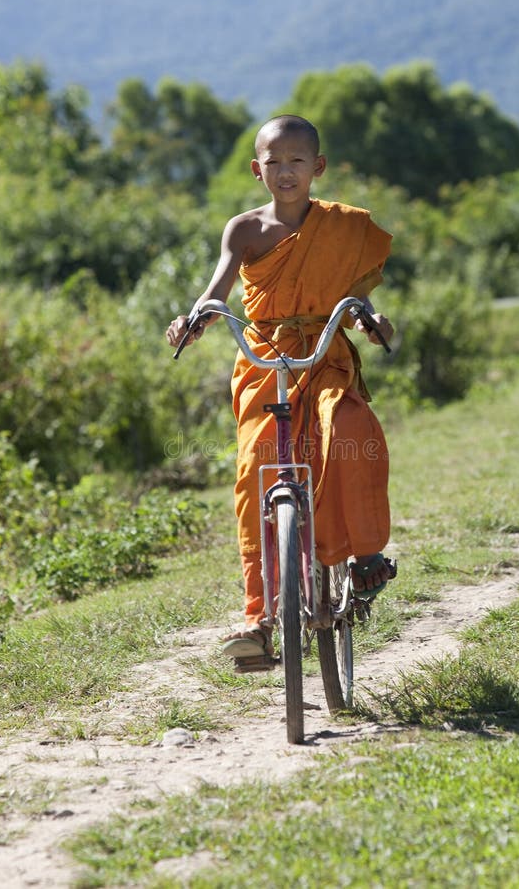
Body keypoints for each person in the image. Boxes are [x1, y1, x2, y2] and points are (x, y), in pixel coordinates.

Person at [166, 114, 395, 663]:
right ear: (256, 169)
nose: (286, 171)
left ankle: (363, 557)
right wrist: (191, 322)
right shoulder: (244, 230)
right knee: (255, 475)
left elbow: (359, 304)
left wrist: (373, 323)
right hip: (265, 361)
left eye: (297, 161)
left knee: (348, 428)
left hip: (324, 355)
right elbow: (215, 293)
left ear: (317, 167)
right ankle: (261, 617)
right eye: (274, 162)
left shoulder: (346, 227)